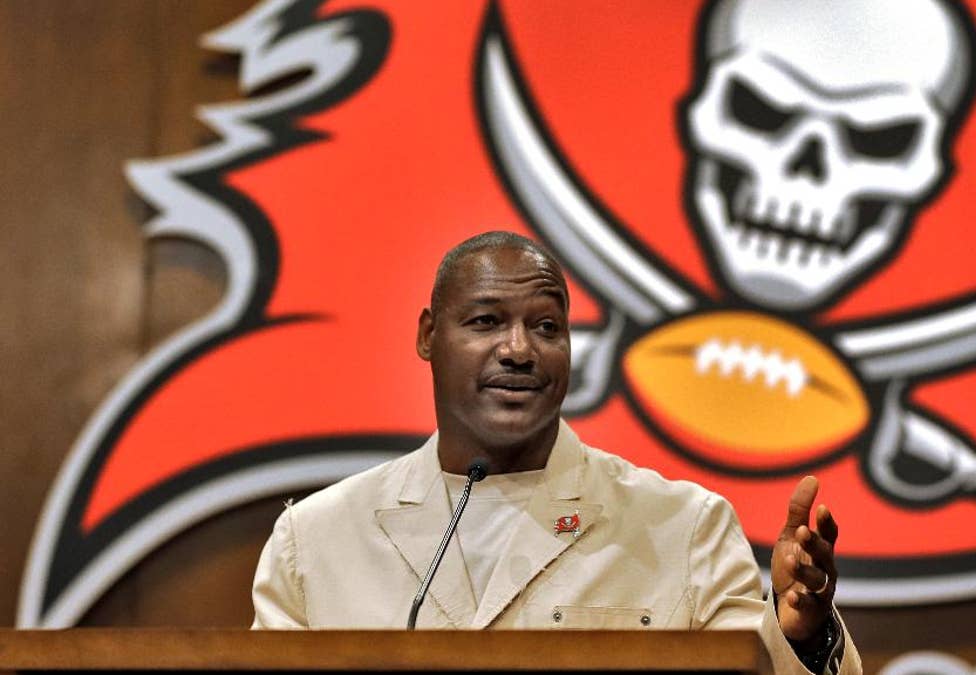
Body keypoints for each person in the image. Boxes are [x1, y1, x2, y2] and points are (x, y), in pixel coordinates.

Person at [251, 231, 861, 675]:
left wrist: (800, 637)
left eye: (547, 327)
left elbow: (751, 667)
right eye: (487, 321)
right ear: (428, 336)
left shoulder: (682, 527)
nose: (519, 350)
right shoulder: (316, 539)